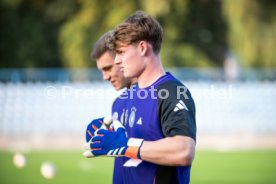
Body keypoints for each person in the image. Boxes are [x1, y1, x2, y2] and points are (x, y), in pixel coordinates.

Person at [84, 11, 196, 184]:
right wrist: (105, 136)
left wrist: (126, 145)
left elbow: (184, 151)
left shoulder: (172, 91)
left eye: (121, 52)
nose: (118, 61)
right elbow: (128, 151)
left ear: (143, 48)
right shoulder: (128, 97)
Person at [87, 30, 137, 184]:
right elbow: (122, 152)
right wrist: (104, 136)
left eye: (108, 68)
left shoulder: (156, 96)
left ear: (121, 58)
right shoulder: (117, 104)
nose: (105, 77)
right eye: (101, 71)